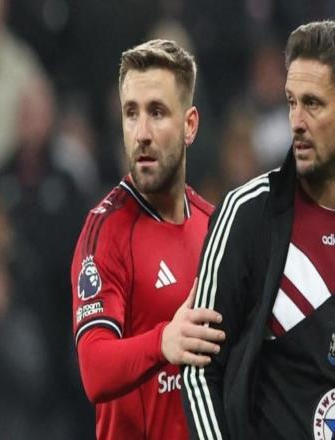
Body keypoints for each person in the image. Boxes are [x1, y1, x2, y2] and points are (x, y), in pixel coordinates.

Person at [182, 20, 335, 440]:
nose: (297, 121)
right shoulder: (246, 214)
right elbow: (198, 370)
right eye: (291, 102)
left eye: (313, 104)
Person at [71, 39, 225, 440]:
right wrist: (163, 342)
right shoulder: (105, 233)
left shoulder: (217, 227)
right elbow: (93, 369)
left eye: (157, 112)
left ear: (190, 125)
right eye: (131, 113)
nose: (141, 133)